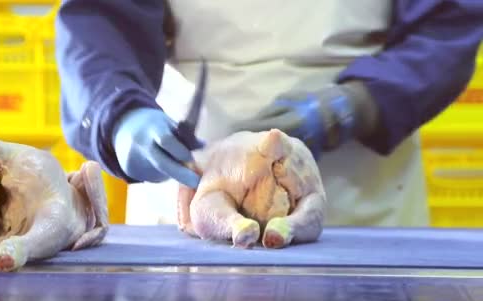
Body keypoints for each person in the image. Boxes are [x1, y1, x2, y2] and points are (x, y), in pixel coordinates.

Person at [55, 1, 483, 227]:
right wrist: (119, 115)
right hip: (190, 176)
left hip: (358, 196)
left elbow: (446, 23)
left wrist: (366, 102)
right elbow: (99, 18)